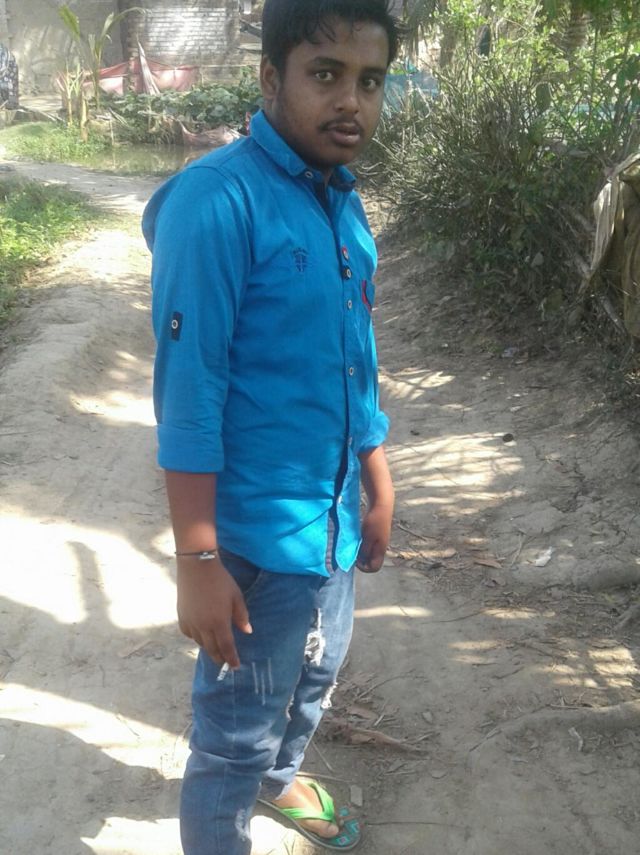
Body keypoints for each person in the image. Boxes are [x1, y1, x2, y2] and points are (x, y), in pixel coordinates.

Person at [142, 2, 399, 853]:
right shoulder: (216, 203)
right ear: (269, 78)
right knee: (232, 736)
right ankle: (238, 795)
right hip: (254, 542)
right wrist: (198, 561)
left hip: (331, 522)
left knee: (316, 675)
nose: (351, 101)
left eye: (370, 81)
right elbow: (190, 394)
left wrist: (376, 473)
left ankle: (279, 778)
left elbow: (353, 354)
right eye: (325, 74)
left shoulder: (341, 201)